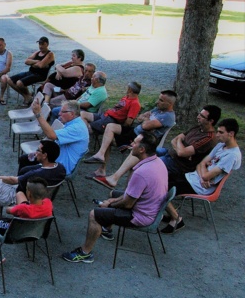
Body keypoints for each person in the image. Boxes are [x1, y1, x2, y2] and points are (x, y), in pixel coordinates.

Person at [62, 132, 168, 263]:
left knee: (94, 214)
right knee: (113, 194)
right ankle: (106, 229)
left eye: (135, 143)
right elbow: (131, 195)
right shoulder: (157, 162)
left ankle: (85, 253)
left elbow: (128, 204)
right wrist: (112, 200)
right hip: (150, 207)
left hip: (140, 216)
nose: (131, 145)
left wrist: (109, 204)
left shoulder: (141, 173)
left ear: (142, 149)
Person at [94, 105, 221, 189]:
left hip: (179, 165)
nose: (198, 116)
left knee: (143, 160)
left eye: (202, 116)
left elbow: (182, 153)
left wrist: (179, 143)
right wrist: (179, 144)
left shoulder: (208, 138)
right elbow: (174, 139)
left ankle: (126, 188)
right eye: (199, 114)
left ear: (211, 121)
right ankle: (117, 181)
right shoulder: (197, 128)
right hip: (169, 153)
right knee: (140, 150)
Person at [162, 118, 241, 234]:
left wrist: (203, 172)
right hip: (193, 177)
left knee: (160, 189)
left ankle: (177, 219)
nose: (217, 135)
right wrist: (203, 171)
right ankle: (171, 213)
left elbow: (206, 176)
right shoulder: (220, 146)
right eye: (217, 131)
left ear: (231, 134)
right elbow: (201, 164)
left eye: (221, 132)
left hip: (199, 187)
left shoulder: (232, 155)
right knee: (160, 179)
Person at [84, 90, 176, 178]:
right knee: (110, 126)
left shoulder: (168, 117)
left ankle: (102, 169)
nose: (157, 102)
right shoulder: (158, 109)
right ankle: (100, 154)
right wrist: (145, 119)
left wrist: (145, 119)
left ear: (169, 104)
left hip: (140, 138)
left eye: (161, 100)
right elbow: (140, 117)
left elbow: (145, 126)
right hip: (134, 130)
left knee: (109, 139)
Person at [0, 177, 53, 273]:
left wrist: (20, 207)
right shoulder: (48, 203)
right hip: (36, 232)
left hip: (13, 233)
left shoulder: (22, 208)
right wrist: (26, 205)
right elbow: (28, 206)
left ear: (29, 193)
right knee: (19, 194)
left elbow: (8, 210)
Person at [0, 140, 66, 217]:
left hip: (24, 198)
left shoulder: (35, 174)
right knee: (1, 185)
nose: (35, 152)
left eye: (38, 150)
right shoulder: (61, 168)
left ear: (45, 155)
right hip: (43, 198)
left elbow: (13, 180)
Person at [18, 100, 89, 176]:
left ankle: (21, 184)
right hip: (55, 159)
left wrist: (38, 114)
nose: (59, 114)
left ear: (72, 114)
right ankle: (20, 184)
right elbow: (52, 138)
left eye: (62, 112)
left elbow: (51, 135)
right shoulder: (73, 123)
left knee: (24, 171)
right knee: (24, 159)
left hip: (60, 167)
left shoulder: (76, 128)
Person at [3, 36, 55, 106]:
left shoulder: (50, 54)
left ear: (47, 44)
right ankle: (27, 96)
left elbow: (41, 65)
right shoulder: (37, 52)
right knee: (9, 80)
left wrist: (33, 63)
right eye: (39, 44)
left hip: (40, 75)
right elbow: (26, 61)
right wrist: (37, 61)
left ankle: (28, 98)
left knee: (19, 83)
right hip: (30, 72)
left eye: (43, 44)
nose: (40, 46)